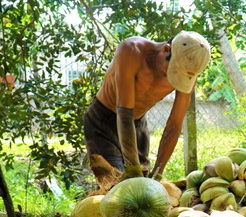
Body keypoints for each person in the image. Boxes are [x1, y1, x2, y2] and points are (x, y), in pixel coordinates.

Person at [83, 31, 211, 189]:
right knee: (118, 188)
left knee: (144, 190)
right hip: (102, 120)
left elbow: (174, 124)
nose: (172, 79)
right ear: (165, 50)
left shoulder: (188, 69)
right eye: (171, 72)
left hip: (136, 124)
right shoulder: (132, 51)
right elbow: (124, 114)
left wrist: (157, 173)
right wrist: (132, 168)